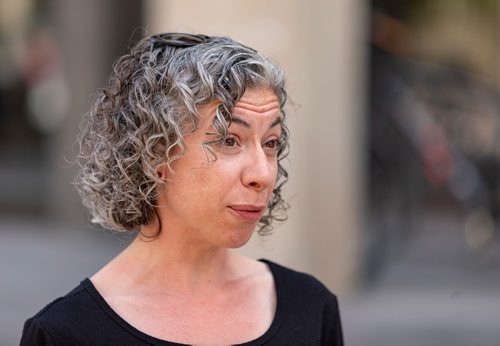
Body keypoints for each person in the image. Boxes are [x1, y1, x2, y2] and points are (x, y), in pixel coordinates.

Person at [21, 32, 343, 345]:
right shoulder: (66, 334)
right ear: (155, 153)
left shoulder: (312, 309)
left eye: (271, 143)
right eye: (229, 140)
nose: (263, 173)